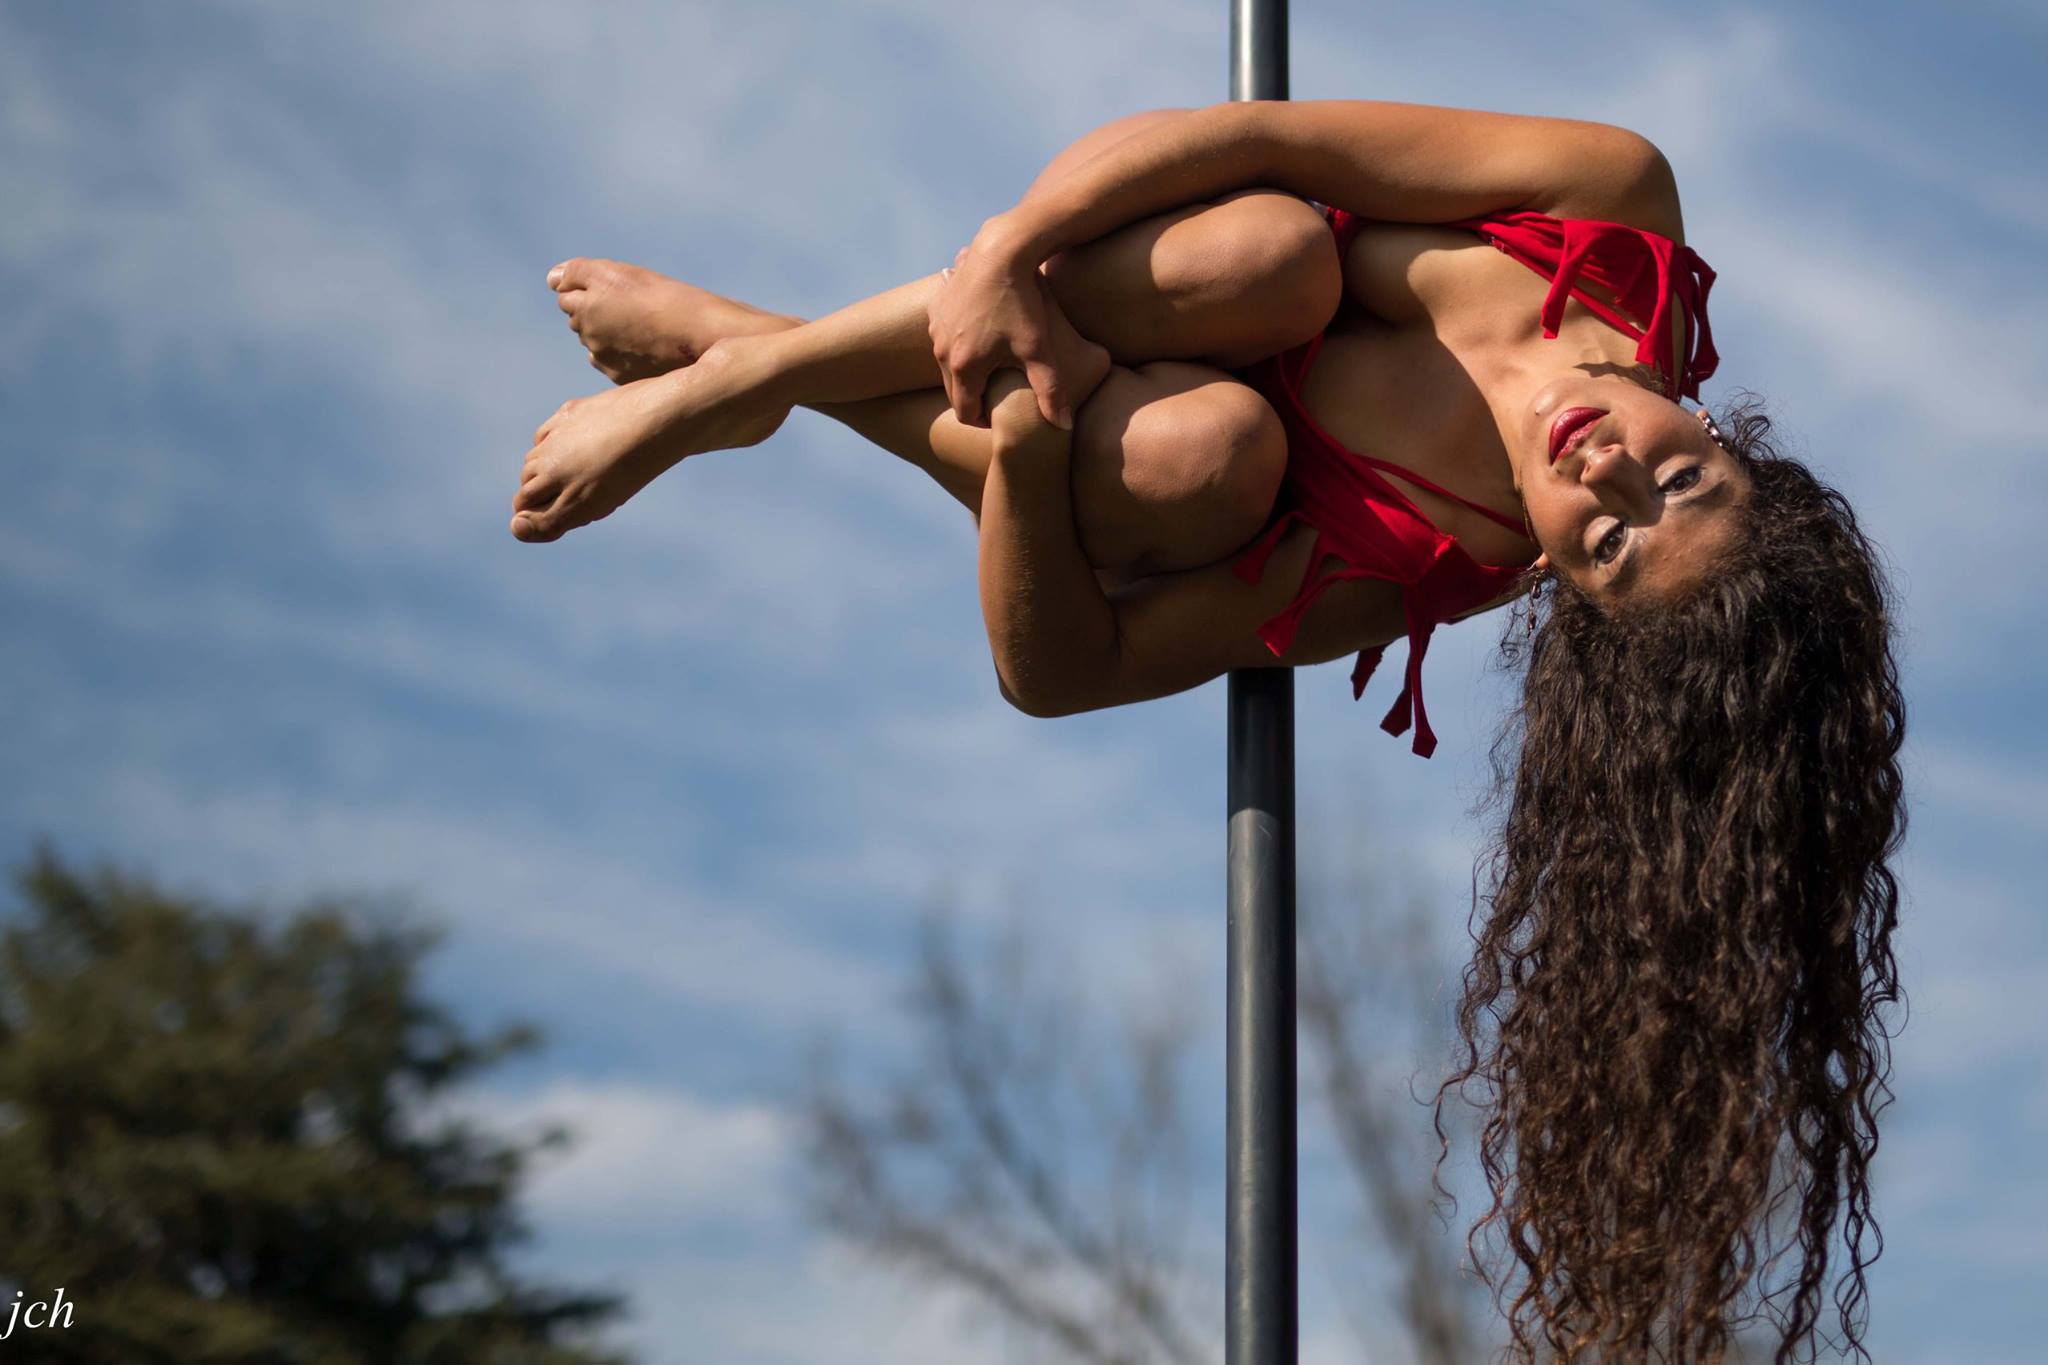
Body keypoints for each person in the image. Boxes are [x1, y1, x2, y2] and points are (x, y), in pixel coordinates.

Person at [511, 101, 1905, 1362]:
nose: (1607, 472)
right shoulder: (1610, 216)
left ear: (1559, 584)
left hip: (1099, 427)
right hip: (1143, 257)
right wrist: (1012, 247)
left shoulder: (1437, 552)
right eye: (1680, 477)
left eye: (1605, 542)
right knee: (1273, 252)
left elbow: (1065, 668)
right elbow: (1260, 137)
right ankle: (741, 374)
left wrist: (1032, 459)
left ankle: (751, 367)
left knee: (1208, 458)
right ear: (1730, 438)